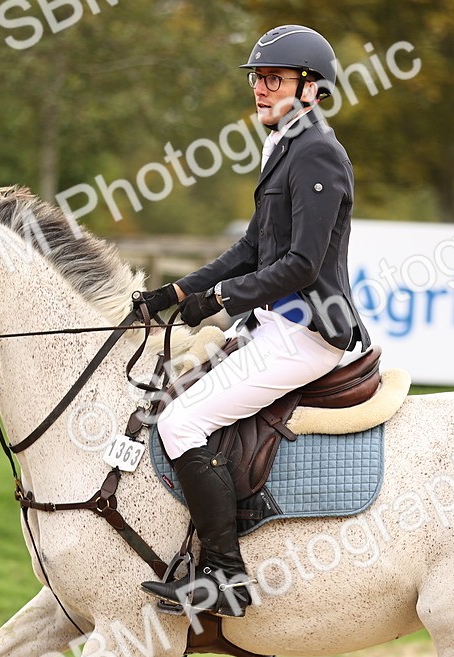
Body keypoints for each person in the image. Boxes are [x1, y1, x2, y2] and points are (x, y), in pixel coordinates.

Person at [136, 25, 371, 618]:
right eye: (257, 80)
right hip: (274, 324)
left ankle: (224, 576)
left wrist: (218, 300)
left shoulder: (317, 151)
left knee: (182, 423)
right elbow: (252, 247)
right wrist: (178, 289)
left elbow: (299, 264)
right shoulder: (284, 146)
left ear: (312, 88)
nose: (261, 90)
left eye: (274, 80)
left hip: (307, 332)